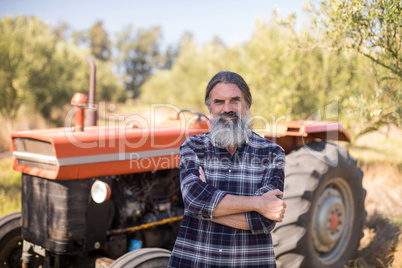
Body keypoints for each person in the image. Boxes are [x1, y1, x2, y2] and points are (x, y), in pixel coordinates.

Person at [168, 71, 286, 267]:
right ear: (210, 107)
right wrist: (259, 203)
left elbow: (265, 222)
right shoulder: (193, 147)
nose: (227, 108)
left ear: (247, 104)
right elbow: (194, 200)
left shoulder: (272, 153)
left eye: (235, 100)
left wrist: (206, 208)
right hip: (196, 261)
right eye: (219, 102)